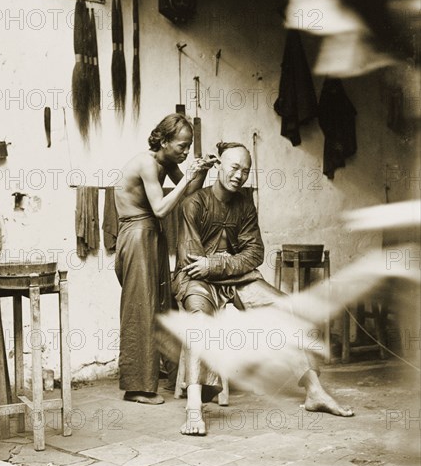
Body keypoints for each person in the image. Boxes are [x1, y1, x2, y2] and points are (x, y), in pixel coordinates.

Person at [173, 141, 354, 434]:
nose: (239, 175)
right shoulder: (193, 203)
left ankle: (314, 391)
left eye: (245, 170)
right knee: (198, 321)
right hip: (196, 280)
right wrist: (222, 262)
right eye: (234, 167)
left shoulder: (245, 203)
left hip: (234, 279)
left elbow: (255, 252)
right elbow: (193, 261)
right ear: (218, 165)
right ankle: (194, 408)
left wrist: (216, 263)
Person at [114, 113, 218, 405]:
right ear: (163, 140)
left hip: (150, 234)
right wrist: (187, 175)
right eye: (182, 146)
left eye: (189, 147)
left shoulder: (167, 162)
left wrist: (202, 171)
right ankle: (136, 387)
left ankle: (169, 377)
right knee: (140, 307)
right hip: (136, 234)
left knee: (162, 302)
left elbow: (188, 194)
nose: (185, 152)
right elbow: (161, 208)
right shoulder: (147, 162)